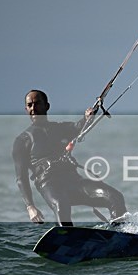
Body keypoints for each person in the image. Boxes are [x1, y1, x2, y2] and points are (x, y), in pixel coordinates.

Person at [12, 89, 127, 226]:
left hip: (74, 181)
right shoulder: (22, 141)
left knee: (115, 197)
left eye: (37, 104)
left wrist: (89, 115)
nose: (33, 108)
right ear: (26, 109)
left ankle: (119, 233)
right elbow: (21, 178)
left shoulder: (60, 129)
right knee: (61, 205)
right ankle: (68, 238)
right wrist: (30, 206)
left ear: (47, 106)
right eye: (30, 105)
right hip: (49, 184)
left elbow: (80, 126)